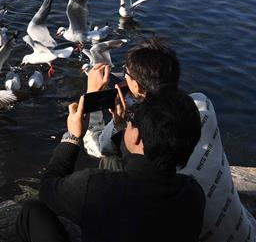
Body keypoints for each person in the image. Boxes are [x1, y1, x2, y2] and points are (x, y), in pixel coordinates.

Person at [83, 38, 256, 241]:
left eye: (126, 72)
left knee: (109, 160)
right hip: (246, 234)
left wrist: (93, 95)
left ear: (138, 88)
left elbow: (96, 145)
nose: (123, 76)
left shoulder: (141, 135)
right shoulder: (202, 103)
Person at [17, 88, 206, 242]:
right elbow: (141, 164)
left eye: (131, 122)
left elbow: (49, 188)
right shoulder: (193, 194)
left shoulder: (96, 188)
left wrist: (72, 138)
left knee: (32, 212)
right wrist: (121, 125)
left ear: (138, 136)